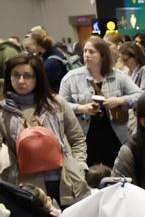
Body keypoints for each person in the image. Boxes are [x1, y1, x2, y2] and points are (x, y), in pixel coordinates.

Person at [0, 55, 89, 206]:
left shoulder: (56, 103)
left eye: (28, 76)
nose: (21, 81)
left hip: (68, 182)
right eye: (16, 75)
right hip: (27, 187)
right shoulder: (3, 111)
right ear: (9, 77)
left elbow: (77, 139)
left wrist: (79, 166)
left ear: (38, 78)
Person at [58, 36, 143, 167]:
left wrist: (119, 100)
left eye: (91, 52)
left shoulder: (118, 76)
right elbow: (59, 105)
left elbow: (140, 95)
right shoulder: (71, 78)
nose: (86, 55)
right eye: (85, 51)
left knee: (117, 174)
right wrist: (81, 108)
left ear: (102, 55)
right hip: (84, 137)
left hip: (115, 135)